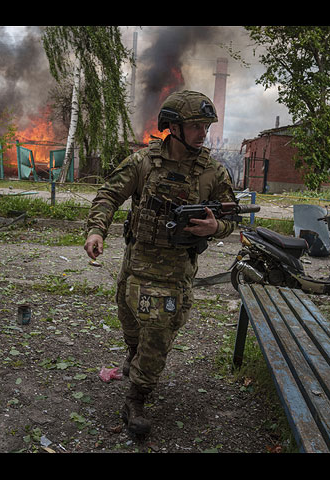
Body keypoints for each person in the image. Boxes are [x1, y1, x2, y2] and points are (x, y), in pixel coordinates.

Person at [83, 90, 236, 436]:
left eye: (206, 126)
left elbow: (233, 218)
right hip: (136, 265)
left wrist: (216, 226)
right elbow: (109, 193)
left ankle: (136, 399)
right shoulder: (144, 162)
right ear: (173, 127)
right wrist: (96, 231)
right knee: (130, 321)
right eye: (196, 126)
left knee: (157, 334)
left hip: (175, 273)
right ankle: (133, 357)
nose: (203, 133)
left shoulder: (212, 172)